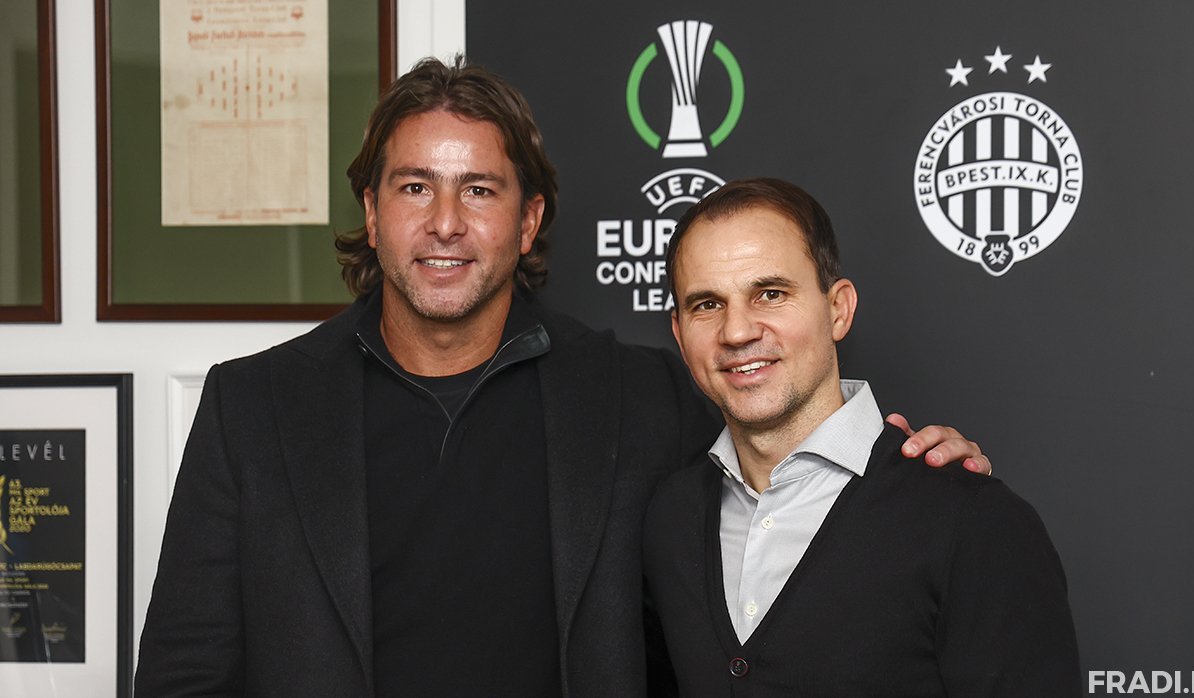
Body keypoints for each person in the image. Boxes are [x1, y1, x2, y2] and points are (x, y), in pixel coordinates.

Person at [134, 58, 989, 697]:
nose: (444, 223)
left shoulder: (645, 398)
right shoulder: (254, 407)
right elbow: (185, 674)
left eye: (479, 190)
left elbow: (785, 507)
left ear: (528, 218)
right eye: (414, 187)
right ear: (372, 210)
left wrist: (908, 475)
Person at [643, 178, 1080, 696]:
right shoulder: (668, 520)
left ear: (838, 309)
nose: (737, 332)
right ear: (679, 333)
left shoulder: (974, 523)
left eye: (771, 294)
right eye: (707, 305)